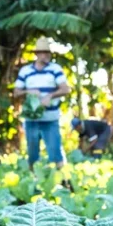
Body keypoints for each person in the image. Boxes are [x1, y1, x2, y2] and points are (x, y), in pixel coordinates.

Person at [13, 38, 71, 166]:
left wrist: (50, 96)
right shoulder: (25, 71)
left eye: (48, 53)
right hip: (31, 120)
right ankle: (34, 183)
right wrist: (28, 91)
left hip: (50, 119)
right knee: (33, 157)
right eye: (43, 52)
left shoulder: (55, 69)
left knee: (55, 154)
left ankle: (62, 181)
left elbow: (65, 89)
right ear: (37, 54)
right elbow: (16, 93)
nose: (46, 55)